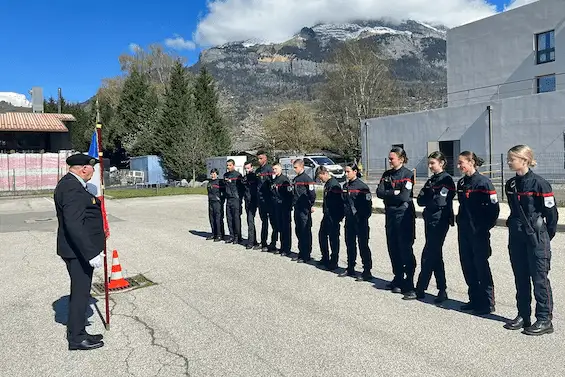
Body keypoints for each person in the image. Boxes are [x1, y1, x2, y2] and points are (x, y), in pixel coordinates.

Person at [54, 153, 105, 351]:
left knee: (81, 292)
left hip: (78, 250)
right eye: (92, 167)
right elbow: (74, 224)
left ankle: (81, 332)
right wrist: (90, 252)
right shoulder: (71, 187)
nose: (93, 171)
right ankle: (76, 338)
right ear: (84, 168)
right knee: (80, 294)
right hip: (78, 251)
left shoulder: (72, 185)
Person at [504, 145, 557, 335]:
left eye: (512, 159)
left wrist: (543, 236)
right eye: (509, 159)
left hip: (536, 237)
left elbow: (552, 217)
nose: (509, 162)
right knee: (520, 276)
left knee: (539, 278)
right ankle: (523, 315)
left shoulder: (540, 184)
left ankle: (544, 319)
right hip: (517, 236)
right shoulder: (510, 184)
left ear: (525, 160)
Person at [456, 151, 500, 315]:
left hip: (479, 232)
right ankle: (474, 299)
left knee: (481, 266)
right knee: (467, 265)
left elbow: (494, 209)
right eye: (459, 163)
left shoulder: (483, 183)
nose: (459, 166)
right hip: (464, 230)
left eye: (462, 163)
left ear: (471, 162)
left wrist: (484, 227)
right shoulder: (461, 183)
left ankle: (487, 303)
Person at [414, 151, 455, 303]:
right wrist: (430, 195)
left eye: (433, 163)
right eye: (429, 163)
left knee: (429, 253)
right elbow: (420, 200)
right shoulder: (432, 180)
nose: (430, 166)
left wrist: (429, 196)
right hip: (429, 219)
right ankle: (442, 289)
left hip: (440, 221)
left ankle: (420, 288)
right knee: (435, 254)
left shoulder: (446, 180)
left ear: (442, 163)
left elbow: (440, 202)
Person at [376, 147, 417, 299]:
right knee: (392, 247)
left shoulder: (407, 174)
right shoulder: (387, 175)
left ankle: (409, 282)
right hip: (391, 215)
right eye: (389, 158)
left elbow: (404, 197)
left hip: (404, 215)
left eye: (392, 158)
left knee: (405, 248)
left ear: (401, 159)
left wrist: (392, 195)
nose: (390, 161)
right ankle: (398, 277)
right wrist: (393, 192)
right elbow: (379, 192)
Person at [342, 163, 373, 280]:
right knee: (350, 244)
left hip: (360, 221)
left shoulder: (362, 187)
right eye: (345, 171)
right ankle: (350, 267)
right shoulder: (345, 186)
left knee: (363, 245)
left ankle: (367, 270)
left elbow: (368, 206)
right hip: (349, 221)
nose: (346, 174)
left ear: (355, 172)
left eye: (348, 171)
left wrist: (362, 218)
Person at [317, 166, 345, 270]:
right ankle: (325, 258)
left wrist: (338, 217)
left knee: (333, 239)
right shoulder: (328, 184)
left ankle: (334, 261)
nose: (320, 180)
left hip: (333, 216)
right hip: (327, 215)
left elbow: (339, 203)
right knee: (322, 236)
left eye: (320, 177)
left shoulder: (334, 185)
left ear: (324, 173)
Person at [291, 159, 316, 262]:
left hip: (304, 208)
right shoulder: (296, 179)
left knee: (305, 231)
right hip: (297, 207)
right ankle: (301, 252)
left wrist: (311, 205)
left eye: (296, 167)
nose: (294, 169)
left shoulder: (307, 179)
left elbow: (312, 194)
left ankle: (306, 255)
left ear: (302, 167)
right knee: (299, 231)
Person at [255, 151, 276, 252]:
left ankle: (273, 243)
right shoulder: (258, 170)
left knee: (273, 222)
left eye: (261, 158)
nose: (259, 160)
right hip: (261, 200)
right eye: (258, 158)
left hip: (269, 200)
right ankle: (263, 242)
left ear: (265, 158)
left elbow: (273, 184)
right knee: (264, 222)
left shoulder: (269, 169)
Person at [271, 163, 293, 256]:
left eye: (276, 169)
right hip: (277, 206)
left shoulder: (284, 180)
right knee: (280, 227)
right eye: (273, 169)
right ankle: (282, 247)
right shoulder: (275, 179)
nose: (274, 171)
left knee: (285, 228)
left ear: (280, 169)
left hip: (284, 206)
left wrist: (287, 206)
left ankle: (286, 249)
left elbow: (289, 195)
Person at [223, 159, 245, 244]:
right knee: (229, 218)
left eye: (230, 165)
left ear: (233, 165)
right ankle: (231, 236)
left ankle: (238, 237)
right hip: (228, 199)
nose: (228, 167)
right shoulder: (225, 175)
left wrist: (239, 199)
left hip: (236, 199)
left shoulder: (238, 175)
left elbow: (242, 189)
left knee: (236, 219)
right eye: (227, 165)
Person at [242, 161, 259, 249]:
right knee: (249, 221)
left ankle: (251, 241)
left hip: (253, 200)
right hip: (247, 201)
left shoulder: (255, 177)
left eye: (248, 168)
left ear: (252, 168)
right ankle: (254, 240)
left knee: (250, 220)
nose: (247, 170)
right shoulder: (244, 178)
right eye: (246, 168)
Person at [206, 168, 225, 242]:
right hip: (211, 202)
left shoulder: (220, 182)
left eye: (214, 174)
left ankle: (220, 235)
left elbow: (224, 193)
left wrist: (221, 200)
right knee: (212, 218)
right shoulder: (209, 182)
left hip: (218, 202)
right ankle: (214, 233)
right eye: (212, 174)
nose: (213, 175)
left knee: (218, 218)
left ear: (217, 175)